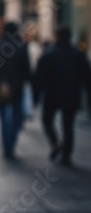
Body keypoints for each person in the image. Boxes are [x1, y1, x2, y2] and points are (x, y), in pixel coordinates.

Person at [33, 25, 91, 166]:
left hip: (52, 96)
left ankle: (55, 142)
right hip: (71, 96)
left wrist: (36, 97)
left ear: (56, 37)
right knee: (68, 126)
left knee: (47, 120)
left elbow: (38, 79)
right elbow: (87, 79)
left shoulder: (48, 55)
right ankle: (66, 154)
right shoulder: (78, 55)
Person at [0, 22, 31, 159]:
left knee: (3, 116)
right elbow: (27, 70)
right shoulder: (21, 47)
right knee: (17, 116)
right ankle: (11, 143)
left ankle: (6, 145)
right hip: (17, 88)